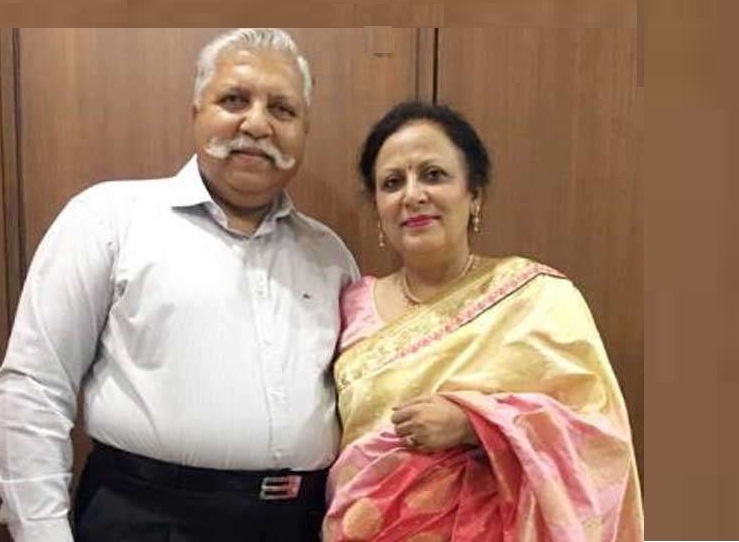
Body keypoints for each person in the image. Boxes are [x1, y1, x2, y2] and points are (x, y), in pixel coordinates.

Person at [0, 28, 358, 542]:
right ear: (196, 112)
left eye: (282, 109)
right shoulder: (109, 219)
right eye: (234, 100)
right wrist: (41, 532)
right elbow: (35, 387)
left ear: (304, 130)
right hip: (146, 519)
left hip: (298, 523)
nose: (257, 124)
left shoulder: (330, 256)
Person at [322, 101, 644, 541]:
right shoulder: (350, 306)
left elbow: (600, 439)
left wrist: (475, 424)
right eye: (392, 183)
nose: (412, 195)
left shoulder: (535, 297)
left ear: (474, 194)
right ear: (378, 207)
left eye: (433, 175)